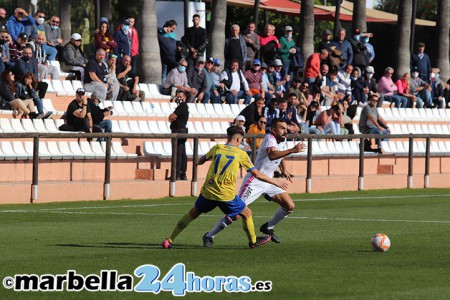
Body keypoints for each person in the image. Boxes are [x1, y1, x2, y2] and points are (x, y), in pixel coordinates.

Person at [162, 125, 288, 249]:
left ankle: (169, 239)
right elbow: (256, 174)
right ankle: (253, 241)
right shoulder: (240, 153)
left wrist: (198, 163)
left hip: (209, 192)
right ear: (239, 139)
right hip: (225, 195)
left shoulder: (217, 147)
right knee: (247, 213)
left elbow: (202, 159)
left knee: (192, 213)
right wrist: (274, 181)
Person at [202, 119, 306, 247]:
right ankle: (209, 235)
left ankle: (268, 227)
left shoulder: (282, 140)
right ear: (274, 130)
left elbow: (280, 155)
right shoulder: (269, 138)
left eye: (286, 128)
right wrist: (292, 150)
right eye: (282, 128)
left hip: (270, 180)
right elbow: (273, 155)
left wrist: (284, 169)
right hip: (255, 181)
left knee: (289, 205)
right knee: (236, 213)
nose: (285, 130)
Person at [169, 90, 189, 180]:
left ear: (185, 97)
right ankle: (182, 173)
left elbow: (171, 117)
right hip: (181, 131)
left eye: (181, 97)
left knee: (178, 153)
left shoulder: (182, 106)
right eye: (177, 96)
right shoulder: (181, 106)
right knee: (181, 153)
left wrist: (172, 118)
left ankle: (177, 174)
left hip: (179, 132)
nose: (179, 98)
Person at [158, 19, 178, 84]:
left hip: (173, 57)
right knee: (164, 74)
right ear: (169, 26)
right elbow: (154, 29)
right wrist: (163, 29)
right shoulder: (161, 32)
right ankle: (163, 87)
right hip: (164, 57)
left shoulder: (173, 35)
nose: (173, 30)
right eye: (172, 28)